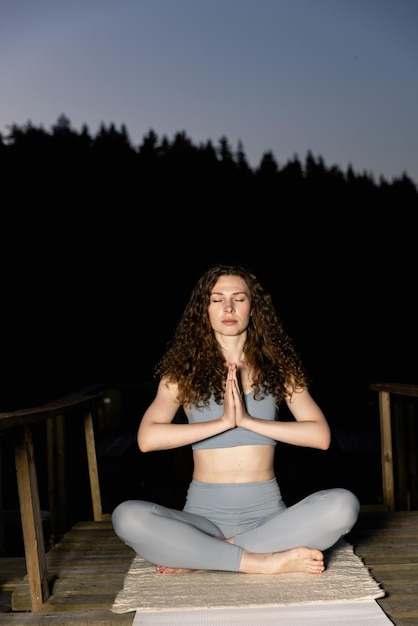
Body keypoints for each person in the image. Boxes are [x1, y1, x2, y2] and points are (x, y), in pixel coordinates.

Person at [112, 264, 360, 575]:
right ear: (204, 309)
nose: (228, 308)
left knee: (343, 504)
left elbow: (320, 436)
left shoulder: (279, 369)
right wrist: (222, 423)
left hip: (269, 516)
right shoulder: (181, 373)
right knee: (126, 516)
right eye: (217, 299)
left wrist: (245, 420)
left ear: (253, 307)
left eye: (239, 299)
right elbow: (147, 439)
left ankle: (206, 553)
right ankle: (262, 561)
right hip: (202, 518)